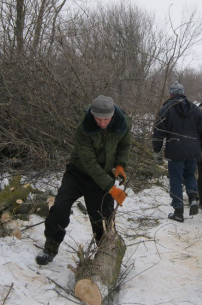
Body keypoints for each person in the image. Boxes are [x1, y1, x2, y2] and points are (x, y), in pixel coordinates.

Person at [36, 95, 131, 265]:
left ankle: (105, 258)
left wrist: (120, 166)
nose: (102, 123)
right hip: (78, 173)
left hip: (102, 176)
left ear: (113, 115)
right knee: (60, 207)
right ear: (92, 115)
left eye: (106, 119)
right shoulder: (84, 128)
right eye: (98, 119)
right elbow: (89, 163)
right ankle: (50, 247)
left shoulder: (123, 124)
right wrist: (111, 187)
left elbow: (124, 146)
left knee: (103, 220)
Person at [152, 81, 202, 222]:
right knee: (190, 174)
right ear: (183, 93)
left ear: (171, 93)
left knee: (176, 179)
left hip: (175, 149)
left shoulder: (165, 109)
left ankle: (178, 211)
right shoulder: (194, 109)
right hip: (192, 149)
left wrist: (157, 150)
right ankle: (193, 199)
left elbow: (158, 132)